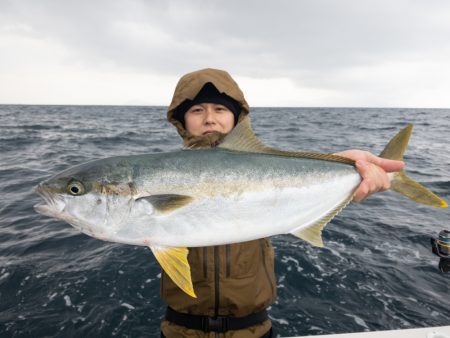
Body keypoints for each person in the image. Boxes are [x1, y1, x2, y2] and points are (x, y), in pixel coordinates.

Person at [160, 68, 404, 337]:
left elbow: (289, 175)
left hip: (253, 329)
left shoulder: (263, 166)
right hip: (180, 330)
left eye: (220, 109)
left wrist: (345, 165)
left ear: (235, 117)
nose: (209, 119)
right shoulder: (162, 171)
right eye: (197, 110)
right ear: (181, 118)